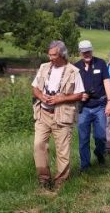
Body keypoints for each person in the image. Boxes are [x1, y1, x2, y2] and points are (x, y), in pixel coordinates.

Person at [31, 40, 84, 189]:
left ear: (62, 54)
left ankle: (61, 181)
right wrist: (42, 96)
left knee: (63, 150)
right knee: (38, 145)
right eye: (49, 55)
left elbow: (80, 94)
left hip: (62, 115)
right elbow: (34, 88)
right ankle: (43, 179)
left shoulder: (73, 71)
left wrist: (61, 98)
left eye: (53, 55)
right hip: (43, 113)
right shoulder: (43, 67)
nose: (50, 58)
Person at [74, 40, 110, 171]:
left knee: (100, 136)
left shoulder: (101, 63)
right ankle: (85, 166)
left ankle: (99, 152)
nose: (87, 54)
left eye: (89, 51)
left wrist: (109, 101)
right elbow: (71, 88)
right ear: (80, 53)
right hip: (83, 108)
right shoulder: (75, 67)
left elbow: (107, 82)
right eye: (84, 52)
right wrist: (80, 95)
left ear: (92, 50)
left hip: (100, 105)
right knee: (83, 138)